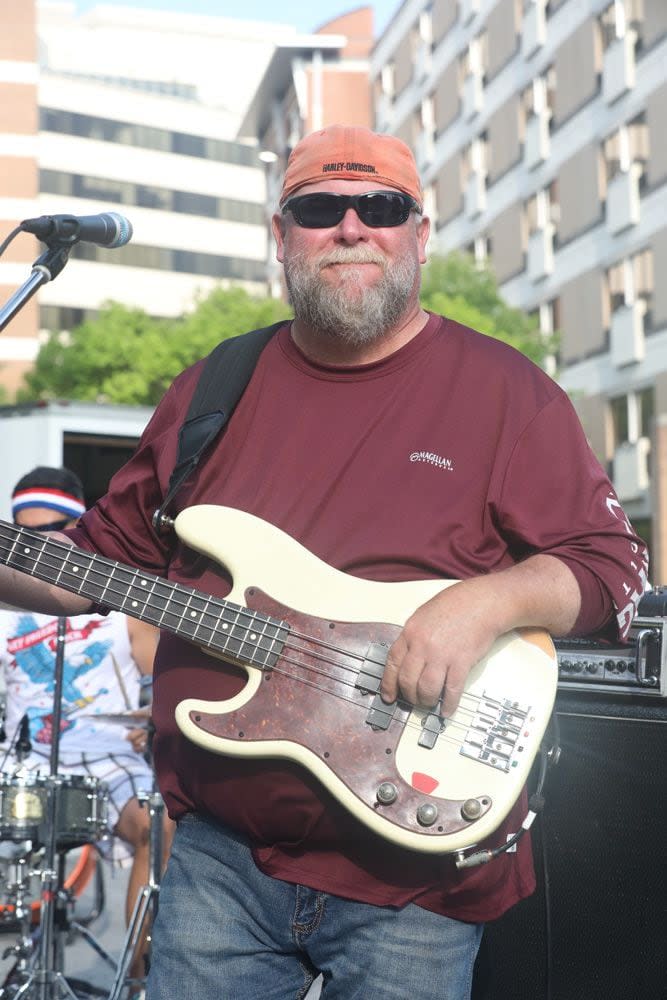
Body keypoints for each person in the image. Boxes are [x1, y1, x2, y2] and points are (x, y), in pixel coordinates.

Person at [0, 127, 649, 1000]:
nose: (349, 227)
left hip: (412, 883)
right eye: (318, 208)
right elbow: (95, 562)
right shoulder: (213, 389)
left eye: (380, 208)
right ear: (281, 236)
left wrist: (486, 604)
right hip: (220, 865)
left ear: (417, 236)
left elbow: (612, 565)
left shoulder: (504, 392)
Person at [0, 466, 169, 988]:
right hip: (20, 757)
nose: (40, 544)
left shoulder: (125, 609)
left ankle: (138, 981)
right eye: (24, 533)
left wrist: (159, 720)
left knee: (159, 829)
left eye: (54, 530)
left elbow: (175, 684)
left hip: (107, 754)